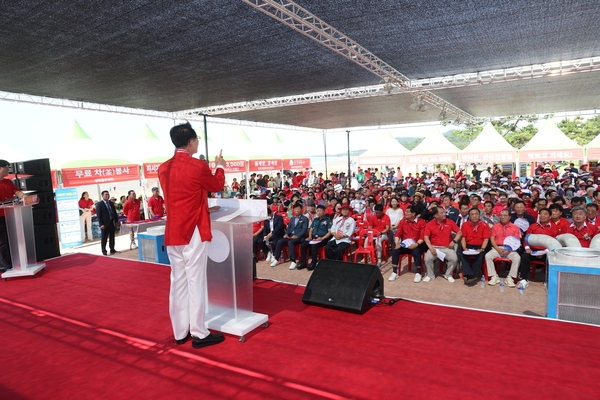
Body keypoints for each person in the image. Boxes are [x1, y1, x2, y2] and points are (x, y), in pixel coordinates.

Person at [158, 122, 226, 349]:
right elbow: (216, 185)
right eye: (196, 140)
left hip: (174, 231)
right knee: (196, 281)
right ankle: (199, 332)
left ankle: (180, 331)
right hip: (193, 230)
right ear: (190, 142)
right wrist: (220, 167)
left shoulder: (163, 168)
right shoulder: (198, 166)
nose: (197, 143)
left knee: (177, 282)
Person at [517, 208, 558, 289]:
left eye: (545, 214)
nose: (542, 216)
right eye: (541, 214)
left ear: (550, 216)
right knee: (524, 257)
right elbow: (526, 238)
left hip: (546, 251)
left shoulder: (554, 228)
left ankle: (548, 281)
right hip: (532, 250)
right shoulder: (533, 226)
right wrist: (527, 248)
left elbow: (555, 243)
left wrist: (545, 251)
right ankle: (524, 279)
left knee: (551, 260)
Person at [423, 206, 462, 283]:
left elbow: (459, 232)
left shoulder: (449, 222)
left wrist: (454, 241)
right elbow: (426, 237)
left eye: (444, 212)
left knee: (454, 259)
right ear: (435, 215)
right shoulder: (430, 224)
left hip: (447, 247)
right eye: (441, 213)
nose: (444, 214)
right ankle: (430, 275)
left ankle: (448, 274)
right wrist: (431, 248)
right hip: (434, 246)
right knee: (427, 259)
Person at [388, 205, 427, 282]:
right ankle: (394, 272)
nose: (405, 213)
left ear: (413, 213)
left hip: (417, 244)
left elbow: (422, 237)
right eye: (405, 211)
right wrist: (397, 243)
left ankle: (418, 272)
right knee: (396, 250)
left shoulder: (421, 222)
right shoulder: (403, 221)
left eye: (408, 212)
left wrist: (416, 244)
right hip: (405, 245)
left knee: (416, 250)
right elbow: (398, 234)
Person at [484, 209, 522, 287]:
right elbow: (492, 238)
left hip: (510, 249)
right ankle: (494, 276)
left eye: (505, 215)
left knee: (517, 258)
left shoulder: (515, 227)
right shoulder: (495, 226)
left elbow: (517, 241)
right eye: (501, 215)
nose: (503, 217)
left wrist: (509, 250)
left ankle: (510, 277)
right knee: (488, 256)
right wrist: (497, 248)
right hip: (497, 247)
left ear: (509, 217)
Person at [0, 160, 24, 272]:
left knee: (12, 240)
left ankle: (15, 262)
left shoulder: (8, 182)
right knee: (2, 242)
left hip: (10, 215)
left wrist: (27, 197)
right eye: (6, 167)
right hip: (0, 216)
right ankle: (6, 266)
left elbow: (18, 192)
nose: (8, 169)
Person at [271, 202, 308, 269]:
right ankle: (276, 259)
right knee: (280, 241)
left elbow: (304, 230)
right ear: (293, 210)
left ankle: (293, 261)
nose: (297, 210)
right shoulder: (292, 218)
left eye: (298, 209)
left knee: (290, 242)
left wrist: (297, 236)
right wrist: (286, 234)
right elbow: (289, 228)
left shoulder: (305, 219)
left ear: (301, 209)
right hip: (290, 236)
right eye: (295, 209)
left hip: (299, 237)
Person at [460, 207, 490, 286]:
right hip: (468, 245)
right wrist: (464, 248)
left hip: (480, 245)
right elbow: (463, 238)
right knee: (463, 254)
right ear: (469, 216)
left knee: (480, 256)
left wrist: (482, 249)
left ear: (479, 215)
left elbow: (486, 239)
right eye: (472, 214)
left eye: (476, 214)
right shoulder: (465, 225)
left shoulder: (484, 225)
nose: (474, 216)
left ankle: (472, 275)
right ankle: (469, 274)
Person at [298, 205, 332, 271]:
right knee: (303, 245)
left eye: (320, 211)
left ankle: (314, 263)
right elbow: (311, 229)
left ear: (324, 211)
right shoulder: (315, 220)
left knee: (314, 246)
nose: (318, 212)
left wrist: (322, 238)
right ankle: (303, 262)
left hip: (322, 239)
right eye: (318, 211)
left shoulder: (328, 220)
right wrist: (310, 236)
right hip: (313, 238)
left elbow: (329, 232)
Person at [95, 190, 119, 256]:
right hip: (105, 224)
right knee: (104, 238)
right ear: (102, 196)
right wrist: (101, 224)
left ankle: (112, 249)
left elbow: (114, 213)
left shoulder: (111, 203)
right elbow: (99, 215)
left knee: (112, 237)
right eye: (106, 194)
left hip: (111, 222)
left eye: (108, 194)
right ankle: (104, 250)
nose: (107, 196)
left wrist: (116, 221)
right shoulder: (99, 204)